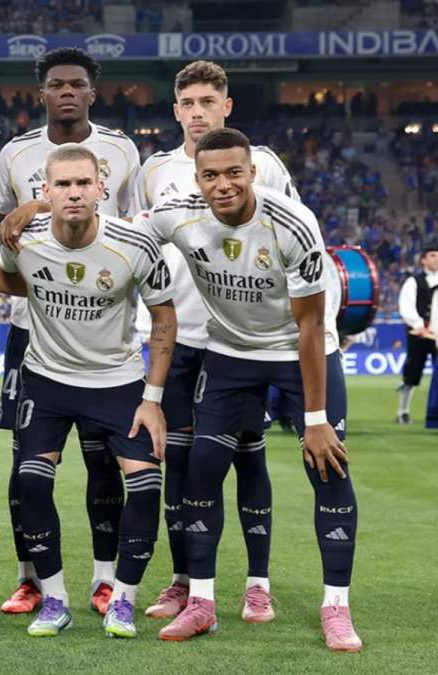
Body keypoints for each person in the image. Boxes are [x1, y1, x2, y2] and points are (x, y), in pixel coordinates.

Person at [144, 129, 361, 652]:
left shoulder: (291, 222)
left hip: (301, 353)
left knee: (328, 467)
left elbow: (310, 327)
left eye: (233, 173)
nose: (223, 185)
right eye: (211, 175)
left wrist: (314, 420)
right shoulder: (177, 215)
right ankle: (201, 602)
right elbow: (118, 231)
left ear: (252, 172)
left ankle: (336, 607)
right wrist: (30, 209)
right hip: (231, 357)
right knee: (200, 469)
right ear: (197, 177)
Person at [0, 144, 175, 638]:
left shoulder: (135, 244)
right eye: (63, 184)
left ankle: (122, 599)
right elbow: (11, 280)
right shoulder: (25, 241)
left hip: (118, 383)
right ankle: (54, 598)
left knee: (145, 485)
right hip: (47, 380)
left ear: (102, 188)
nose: (74, 192)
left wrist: (154, 398)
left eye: (84, 183)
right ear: (46, 192)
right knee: (32, 482)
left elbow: (165, 317)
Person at [0, 46, 142, 617]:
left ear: (93, 92)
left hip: (101, 331)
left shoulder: (121, 149)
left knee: (103, 463)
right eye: (55, 85)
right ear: (40, 93)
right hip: (32, 329)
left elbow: (133, 226)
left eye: (76, 84)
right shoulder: (16, 152)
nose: (66, 92)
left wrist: (40, 204)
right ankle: (29, 577)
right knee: (28, 463)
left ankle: (103, 577)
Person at [134, 60, 298, 623]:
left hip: (241, 340)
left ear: (226, 106)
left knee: (249, 458)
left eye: (209, 101)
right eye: (188, 102)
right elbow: (141, 243)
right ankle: (184, 581)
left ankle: (258, 583)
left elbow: (293, 242)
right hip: (178, 337)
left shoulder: (264, 165)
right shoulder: (154, 169)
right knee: (178, 466)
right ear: (176, 109)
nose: (198, 111)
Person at [397, 244, 438, 424]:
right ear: (423, 260)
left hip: (437, 335)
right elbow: (406, 305)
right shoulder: (413, 281)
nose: (436, 258)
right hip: (418, 335)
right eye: (432, 255)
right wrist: (418, 324)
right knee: (412, 373)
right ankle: (403, 411)